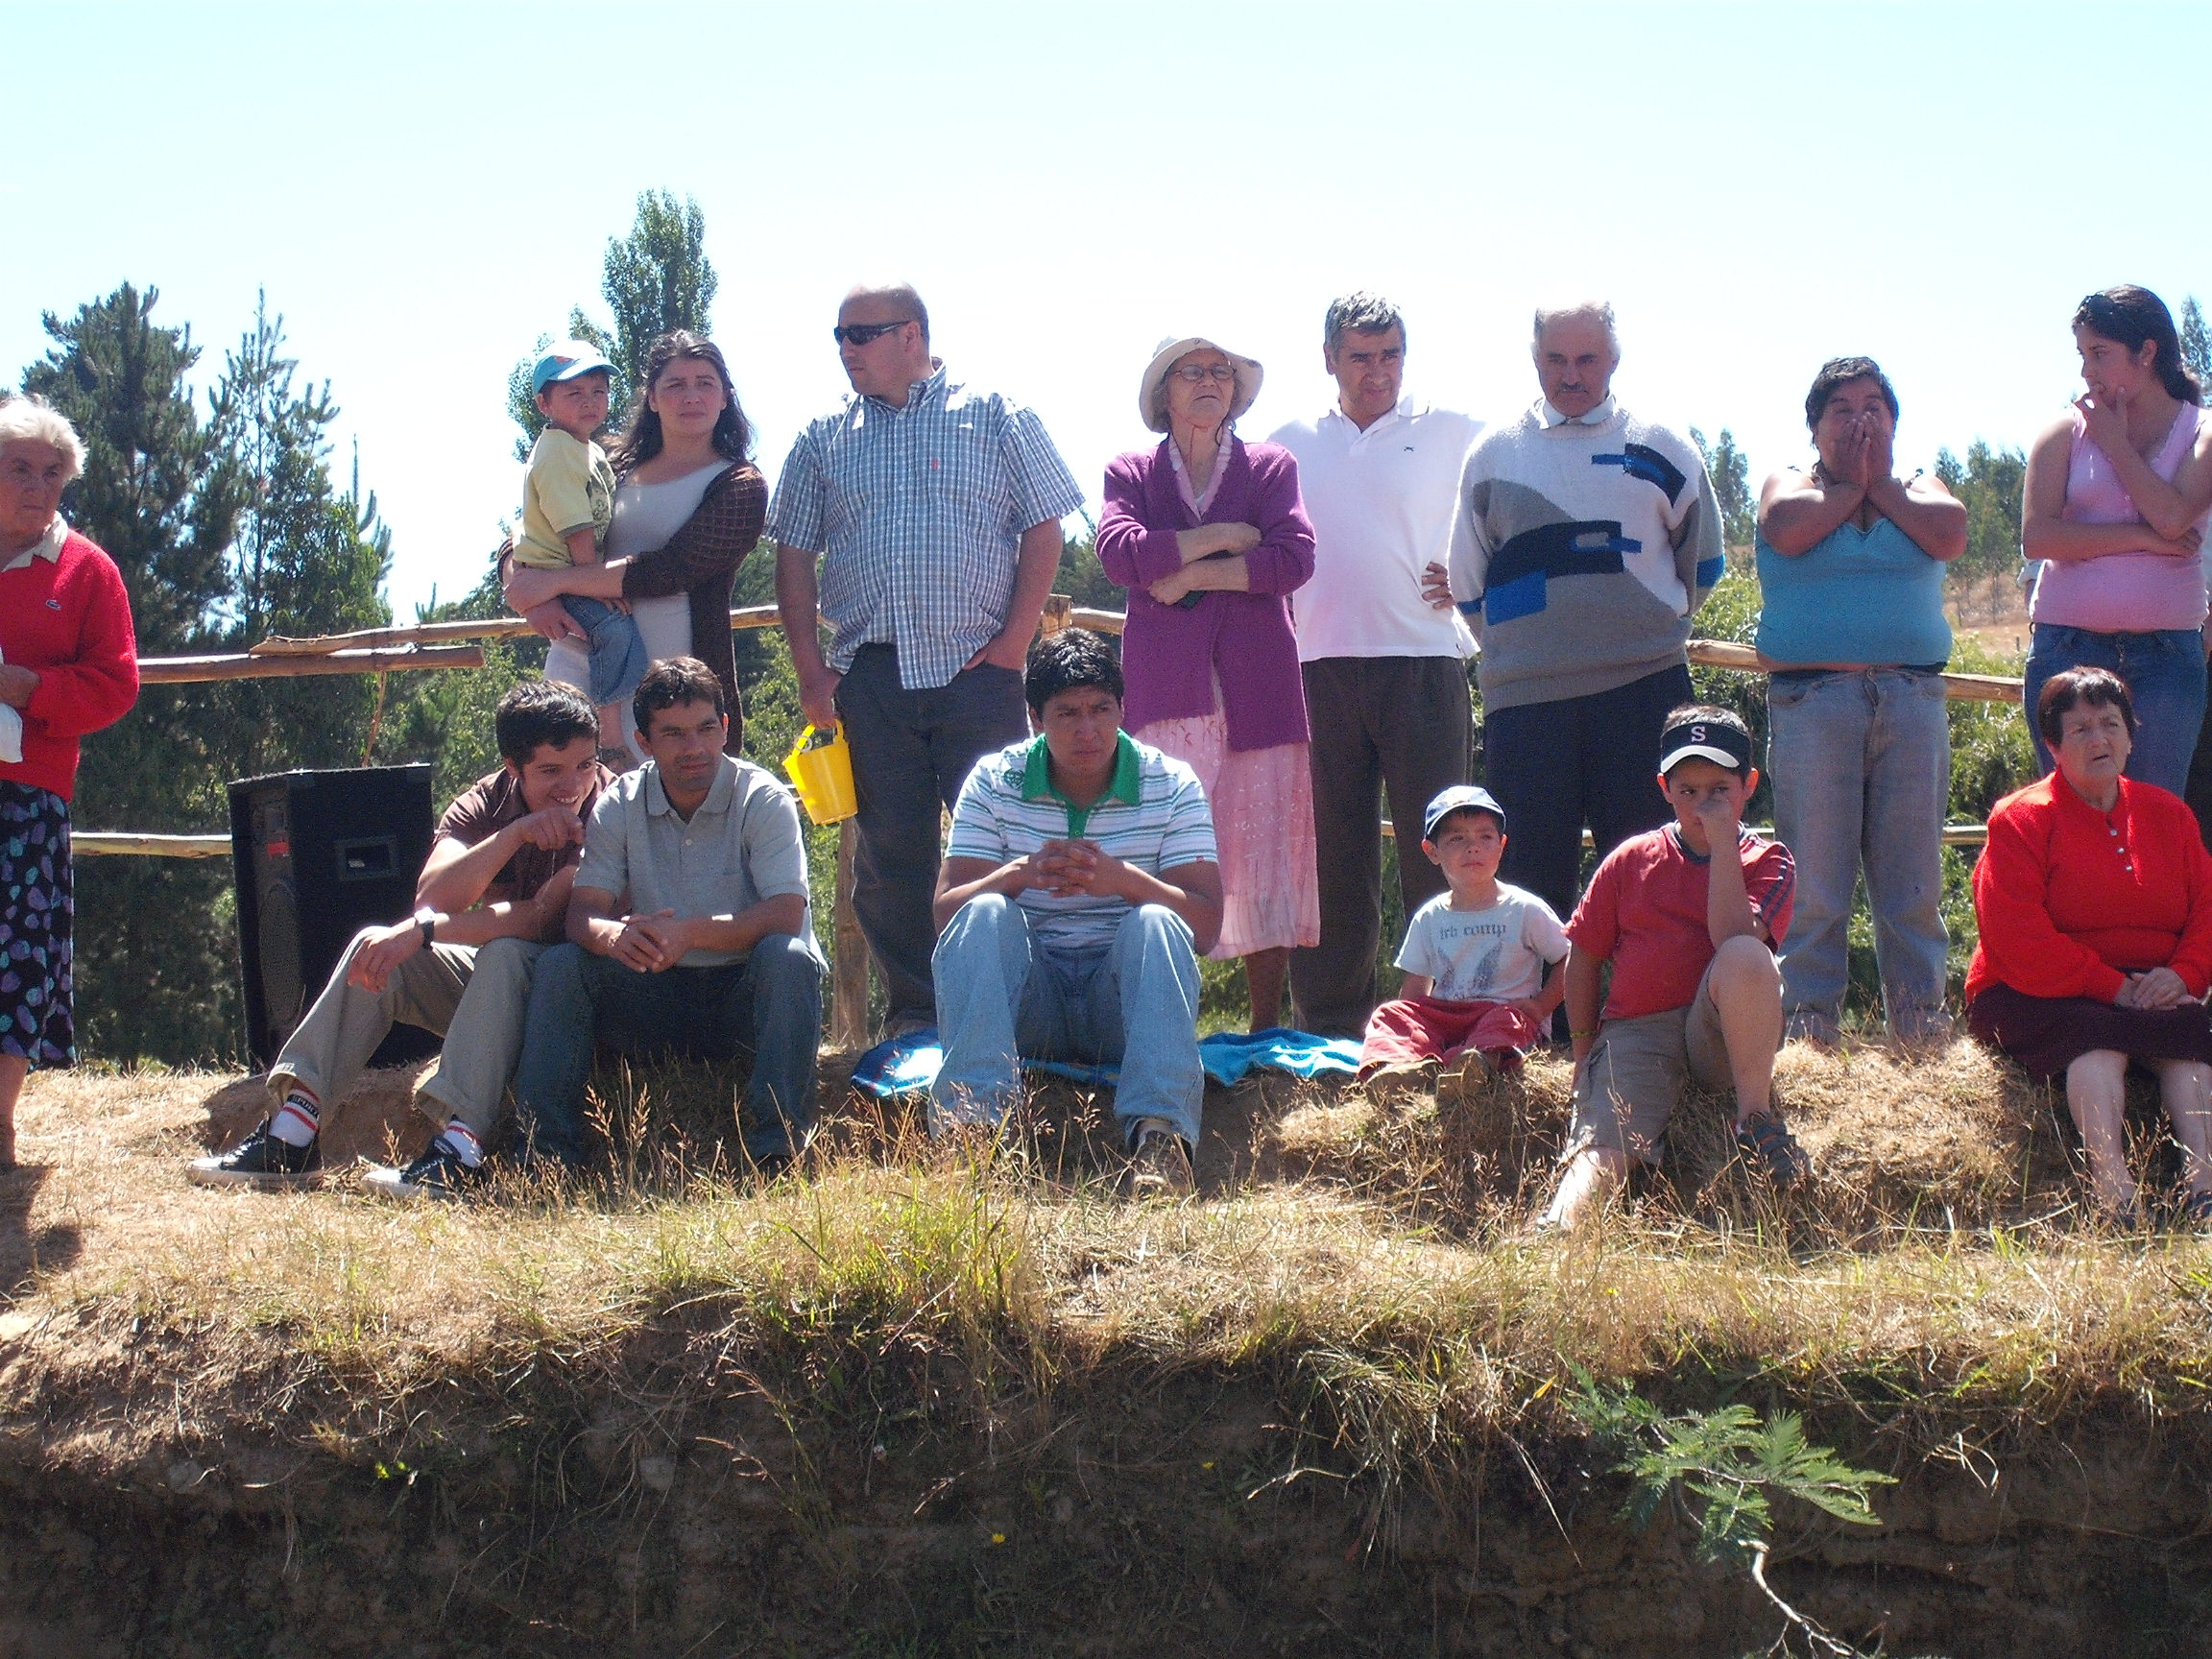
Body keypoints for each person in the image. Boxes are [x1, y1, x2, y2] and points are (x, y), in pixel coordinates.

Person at [770, 283, 1084, 1037]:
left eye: (860, 334)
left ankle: (1018, 1013)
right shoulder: (821, 435)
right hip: (871, 676)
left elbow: (1045, 527)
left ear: (911, 334)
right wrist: (812, 674)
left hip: (979, 673)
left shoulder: (998, 414)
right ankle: (917, 1018)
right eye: (838, 336)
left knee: (1006, 843)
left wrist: (1013, 646)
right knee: (889, 862)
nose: (845, 349)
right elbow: (792, 558)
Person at [187, 682, 611, 1196]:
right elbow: (433, 896)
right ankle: (292, 1134)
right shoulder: (484, 801)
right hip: (498, 994)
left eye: (585, 765)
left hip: (573, 1003)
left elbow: (539, 920)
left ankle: (459, 1152)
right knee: (376, 944)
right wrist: (514, 834)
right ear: (512, 766)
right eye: (551, 771)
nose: (572, 785)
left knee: (504, 953)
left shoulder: (611, 805)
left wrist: (424, 931)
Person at [1449, 302, 1723, 981]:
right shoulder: (1491, 454)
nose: (1571, 375)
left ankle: (1647, 1019)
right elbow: (1468, 580)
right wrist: (1527, 652)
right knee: (1529, 878)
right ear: (1534, 358)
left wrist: (1641, 631)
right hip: (1526, 702)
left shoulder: (1666, 446)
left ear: (1614, 359)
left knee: (1652, 871)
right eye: (1556, 359)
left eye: (1587, 359)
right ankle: (1538, 1030)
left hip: (1646, 692)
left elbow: (1705, 562)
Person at [931, 629, 1220, 1194]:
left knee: (1158, 921)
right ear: (1035, 718)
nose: (1087, 730)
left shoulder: (1171, 783)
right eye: (1066, 713)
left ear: (1122, 709)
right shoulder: (994, 780)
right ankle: (972, 1136)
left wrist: (1124, 881)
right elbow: (948, 917)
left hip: (1123, 1009)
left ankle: (1161, 1140)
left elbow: (1206, 927)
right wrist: (1018, 875)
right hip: (1028, 1007)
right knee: (985, 911)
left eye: (1100, 709)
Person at [512, 658, 825, 1177]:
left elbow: (787, 915)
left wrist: (688, 934)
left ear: (726, 728)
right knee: (561, 966)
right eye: (674, 734)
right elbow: (582, 916)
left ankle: (779, 1151)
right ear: (644, 741)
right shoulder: (620, 803)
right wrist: (612, 937)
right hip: (655, 992)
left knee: (789, 957)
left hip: (747, 1000)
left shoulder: (763, 798)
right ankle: (544, 1158)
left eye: (706, 728)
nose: (694, 747)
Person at [1270, 294, 1485, 1038]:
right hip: (1316, 666)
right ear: (1329, 359)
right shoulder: (1287, 442)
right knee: (1331, 858)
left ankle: (1448, 1016)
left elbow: (1513, 505)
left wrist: (1475, 571)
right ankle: (1330, 1029)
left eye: (1390, 354)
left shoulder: (1456, 430)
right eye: (1360, 357)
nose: (1378, 371)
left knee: (1445, 851)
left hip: (1424, 662)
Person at [1095, 335, 1318, 1030]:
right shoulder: (1131, 471)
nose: (1209, 381)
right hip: (1166, 693)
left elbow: (1294, 558)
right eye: (1192, 371)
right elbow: (1118, 553)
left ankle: (1265, 1029)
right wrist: (1223, 535)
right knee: (1161, 850)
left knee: (1265, 856)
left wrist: (1188, 574)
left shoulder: (1271, 466)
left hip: (1261, 694)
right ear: (1163, 393)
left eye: (1222, 372)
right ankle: (1162, 1024)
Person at [1754, 357, 1966, 1047]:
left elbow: (1951, 533)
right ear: (1814, 428)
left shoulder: (1922, 486)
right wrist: (1853, 487)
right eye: (1841, 410)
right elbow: (1787, 527)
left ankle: (1920, 1025)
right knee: (1815, 883)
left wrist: (1880, 488)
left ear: (1896, 421)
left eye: (1873, 406)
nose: (1860, 421)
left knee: (1914, 882)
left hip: (1910, 699)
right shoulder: (1791, 484)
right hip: (1813, 701)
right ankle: (1808, 1030)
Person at [1543, 707, 1808, 1233]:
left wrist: (1725, 844)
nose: (1703, 803)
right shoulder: (1630, 859)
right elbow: (1584, 957)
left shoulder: (1770, 860)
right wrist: (1583, 1052)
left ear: (1749, 785)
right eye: (1688, 790)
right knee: (1605, 1147)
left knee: (1747, 955)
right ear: (1664, 788)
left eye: (1719, 789)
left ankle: (1755, 1119)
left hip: (1719, 1031)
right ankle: (1558, 1229)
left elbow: (1732, 939)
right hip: (1638, 1030)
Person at [1966, 668, 2212, 1227]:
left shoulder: (2170, 814)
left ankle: (2203, 1189)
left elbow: (2206, 910)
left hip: (2148, 985)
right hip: (2035, 988)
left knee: (2189, 1037)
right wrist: (2113, 988)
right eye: (2080, 729)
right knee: (2097, 1041)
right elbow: (2017, 937)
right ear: (2052, 746)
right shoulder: (2019, 819)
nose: (2099, 739)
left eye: (2110, 724)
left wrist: (2184, 974)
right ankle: (2114, 1195)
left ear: (2131, 736)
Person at [505, 331, 768, 756]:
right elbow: (525, 534)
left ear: (725, 397)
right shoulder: (605, 461)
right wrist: (528, 595)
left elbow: (667, 571)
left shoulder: (740, 485)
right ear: (652, 399)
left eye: (705, 383)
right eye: (675, 384)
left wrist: (553, 583)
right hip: (577, 672)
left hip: (680, 696)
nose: (691, 396)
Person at [0, 397, 137, 1171]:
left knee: (17, 957)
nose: (36, 485)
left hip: (28, 792)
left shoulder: (86, 570)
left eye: (52, 473)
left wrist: (32, 690)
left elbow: (115, 685)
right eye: (19, 468)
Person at [2021, 285, 2212, 796]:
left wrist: (2113, 440)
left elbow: (2171, 517)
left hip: (2166, 657)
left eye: (2099, 353)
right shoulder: (2060, 433)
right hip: (2065, 647)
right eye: (2082, 355)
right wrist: (2142, 539)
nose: (2087, 371)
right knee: (2070, 815)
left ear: (2146, 352)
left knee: (2153, 814)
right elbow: (2038, 537)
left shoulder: (2203, 433)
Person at [1358, 785, 1569, 1090]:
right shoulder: (1429, 917)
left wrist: (1541, 1005)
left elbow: (1570, 957)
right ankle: (1405, 1067)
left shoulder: (1524, 909)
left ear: (1501, 845)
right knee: (1390, 1013)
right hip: (1446, 1017)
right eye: (1457, 838)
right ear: (1432, 851)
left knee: (1507, 1023)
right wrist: (1411, 1026)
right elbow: (1415, 989)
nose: (1473, 848)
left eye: (1485, 837)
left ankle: (1476, 1068)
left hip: (1499, 1014)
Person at [513, 339, 647, 766]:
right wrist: (595, 584)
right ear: (544, 403)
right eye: (574, 393)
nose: (589, 401)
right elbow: (576, 527)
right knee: (613, 631)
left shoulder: (586, 449)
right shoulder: (557, 452)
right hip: (562, 570)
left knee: (615, 634)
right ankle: (609, 737)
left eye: (598, 391)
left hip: (567, 571)